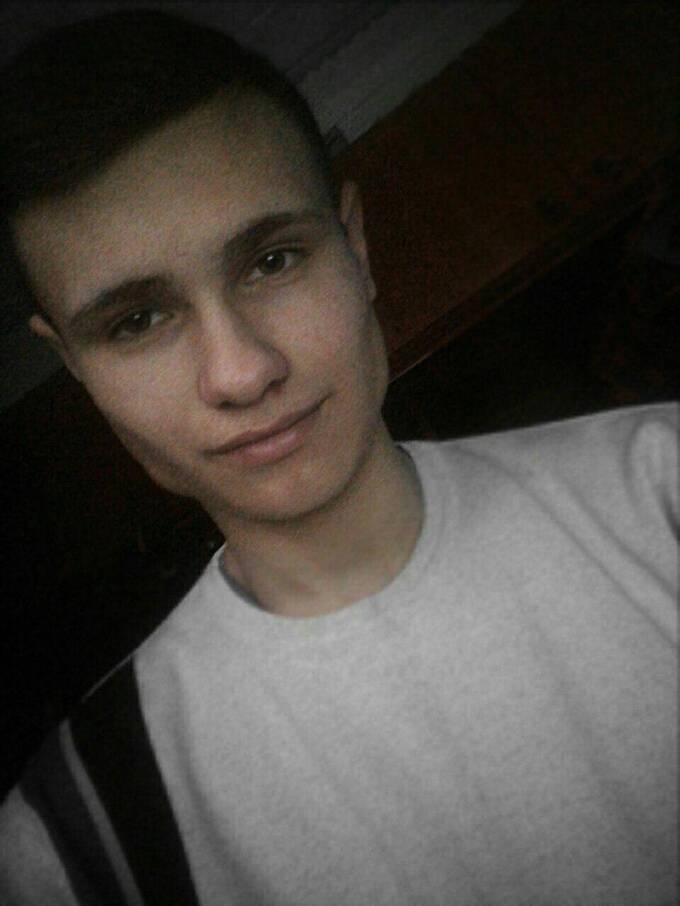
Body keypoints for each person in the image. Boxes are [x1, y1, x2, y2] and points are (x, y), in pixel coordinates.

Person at [0, 8, 676, 906]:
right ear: (77, 368)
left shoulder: (663, 485)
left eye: (273, 261)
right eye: (137, 321)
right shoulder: (72, 841)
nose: (241, 372)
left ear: (356, 248)